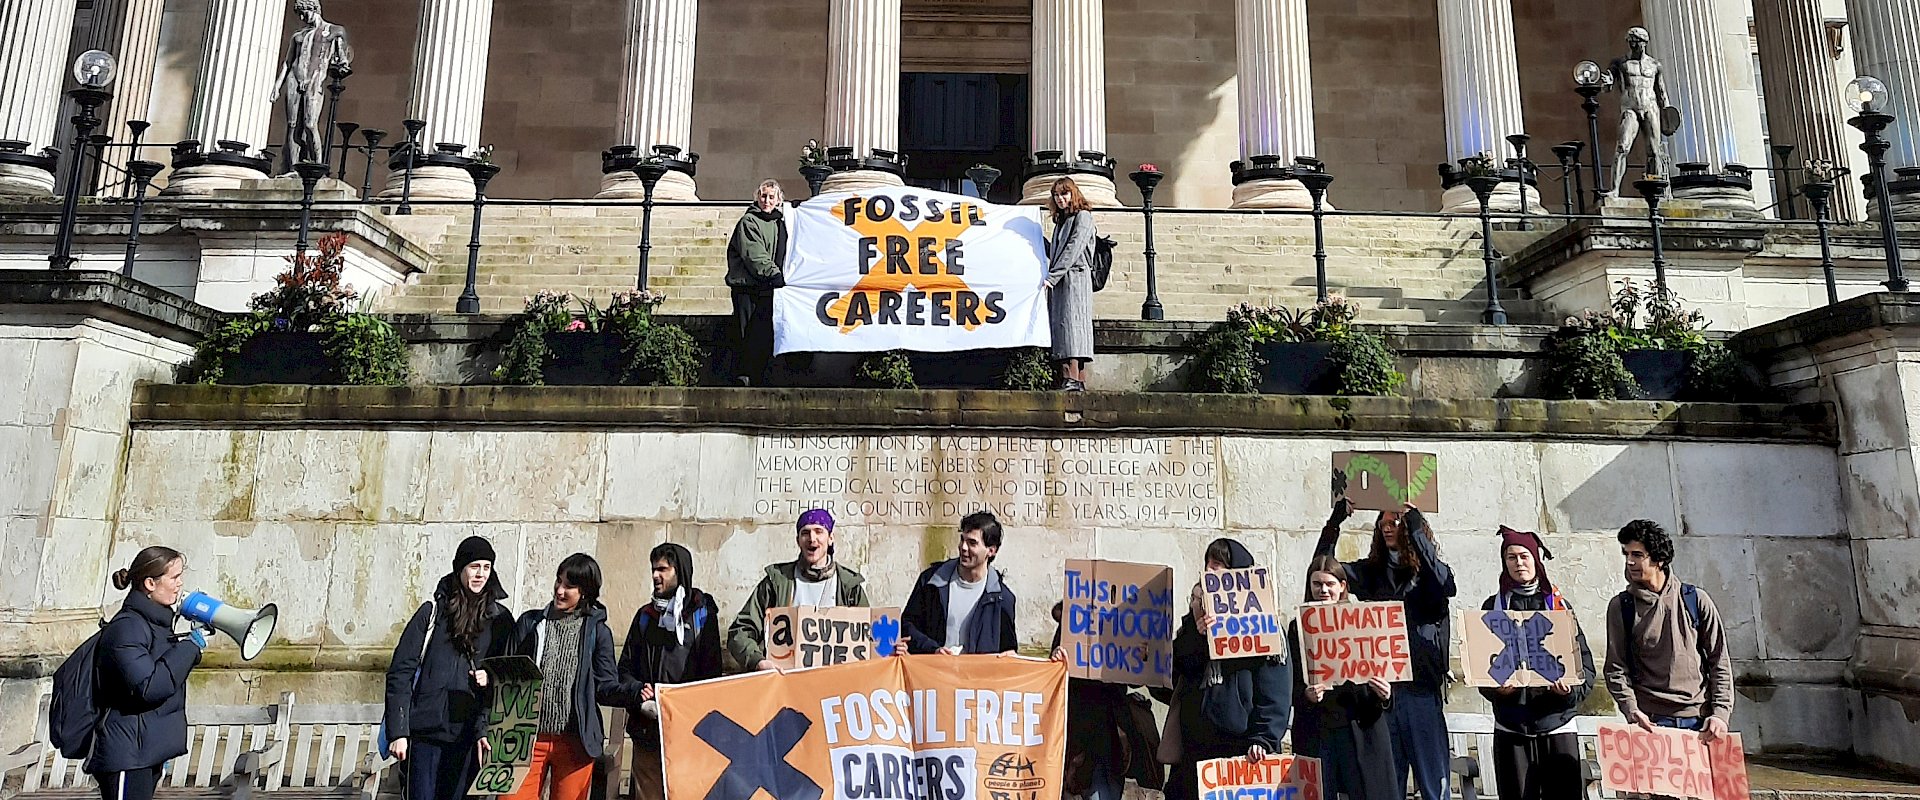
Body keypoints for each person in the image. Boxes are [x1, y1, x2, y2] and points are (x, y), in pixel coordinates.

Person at [1315, 499, 1455, 800]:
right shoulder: (1372, 573)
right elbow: (1324, 570)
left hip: (1420, 692)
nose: (1387, 526)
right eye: (1383, 522)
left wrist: (1414, 522)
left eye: (1395, 521)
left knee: (1434, 785)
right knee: (1387, 787)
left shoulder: (1428, 578)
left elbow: (1444, 582)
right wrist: (1336, 521)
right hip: (1382, 691)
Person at [383, 536, 515, 800]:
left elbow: (510, 676)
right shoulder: (432, 613)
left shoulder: (500, 621)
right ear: (460, 568)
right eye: (474, 566)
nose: (480, 574)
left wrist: (490, 678)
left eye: (486, 567)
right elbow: (401, 672)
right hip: (425, 734)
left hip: (468, 734)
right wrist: (399, 732)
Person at [506, 554, 642, 800]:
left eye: (569, 586)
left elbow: (605, 685)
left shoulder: (598, 633)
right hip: (525, 738)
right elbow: (506, 676)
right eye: (558, 582)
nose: (559, 590)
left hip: (574, 742)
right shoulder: (530, 623)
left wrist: (635, 692)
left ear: (585, 591)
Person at [1164, 538, 1291, 800]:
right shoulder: (1195, 616)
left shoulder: (1264, 627)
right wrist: (1198, 636)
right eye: (1208, 565)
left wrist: (1264, 739)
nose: (1211, 572)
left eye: (1218, 565)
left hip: (1240, 749)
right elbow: (1176, 677)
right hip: (1195, 750)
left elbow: (1276, 692)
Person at [1477, 527, 1595, 800]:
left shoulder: (1558, 607)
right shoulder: (1492, 608)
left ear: (1536, 559)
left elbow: (1585, 667)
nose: (1518, 563)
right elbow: (1482, 667)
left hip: (1556, 725)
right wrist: (1497, 691)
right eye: (1511, 557)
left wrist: (1569, 692)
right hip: (1512, 730)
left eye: (1524, 556)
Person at [88, 547, 202, 800]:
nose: (180, 584)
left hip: (144, 751)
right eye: (174, 577)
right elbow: (149, 687)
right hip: (126, 755)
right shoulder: (127, 627)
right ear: (150, 583)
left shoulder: (155, 624)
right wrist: (189, 649)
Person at [1604, 520, 1733, 742]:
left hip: (1700, 721)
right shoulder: (1622, 607)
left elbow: (1719, 661)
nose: (1629, 561)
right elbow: (1615, 668)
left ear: (1659, 559)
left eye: (1637, 555)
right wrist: (1631, 710)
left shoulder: (1695, 600)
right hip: (1650, 723)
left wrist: (1720, 714)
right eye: (1626, 554)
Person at [619, 544, 723, 800]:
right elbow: (624, 669)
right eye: (654, 569)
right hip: (648, 734)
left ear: (681, 572)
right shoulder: (645, 617)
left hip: (690, 735)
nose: (656, 576)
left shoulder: (703, 615)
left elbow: (712, 675)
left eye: (663, 569)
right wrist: (637, 695)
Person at [1291, 556, 1395, 800]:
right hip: (1319, 731)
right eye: (1317, 584)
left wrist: (1386, 694)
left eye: (1329, 584)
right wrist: (1306, 696)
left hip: (1360, 727)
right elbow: (1292, 683)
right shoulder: (1298, 628)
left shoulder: (1364, 623)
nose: (1323, 590)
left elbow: (1389, 672)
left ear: (1342, 586)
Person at [727, 509, 872, 671]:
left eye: (819, 531)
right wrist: (757, 661)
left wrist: (892, 648)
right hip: (786, 684)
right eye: (805, 533)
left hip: (835, 686)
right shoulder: (777, 582)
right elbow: (740, 631)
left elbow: (870, 638)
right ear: (798, 540)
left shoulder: (849, 586)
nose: (812, 539)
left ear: (830, 538)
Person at [1048, 603, 1166, 800]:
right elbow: (1056, 670)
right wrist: (1056, 661)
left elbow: (1136, 682)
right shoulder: (1073, 617)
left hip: (1107, 737)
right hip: (1074, 732)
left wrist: (1140, 659)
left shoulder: (1127, 621)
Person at [900, 510, 1016, 654]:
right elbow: (907, 625)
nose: (963, 547)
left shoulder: (1003, 599)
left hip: (977, 675)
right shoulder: (931, 582)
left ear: (991, 551)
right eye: (962, 539)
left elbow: (1008, 651)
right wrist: (933, 650)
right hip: (933, 672)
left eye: (972, 543)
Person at [272, 0, 352, 171]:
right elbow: (288, 62)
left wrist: (342, 63)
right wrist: (277, 86)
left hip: (315, 81)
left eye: (303, 12)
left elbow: (342, 57)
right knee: (293, 125)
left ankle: (317, 167)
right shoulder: (298, 36)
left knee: (310, 124)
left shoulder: (334, 31)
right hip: (294, 78)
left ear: (314, 9)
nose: (302, 17)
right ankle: (292, 169)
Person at [725, 180, 788, 386]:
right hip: (747, 286)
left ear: (778, 200)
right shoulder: (748, 222)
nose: (766, 201)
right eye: (763, 196)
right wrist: (774, 274)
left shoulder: (780, 223)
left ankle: (760, 373)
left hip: (767, 286)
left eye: (771, 197)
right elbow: (754, 255)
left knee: (763, 332)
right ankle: (743, 374)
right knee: (745, 332)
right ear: (757, 197)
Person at [1044, 177, 1097, 392]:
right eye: (1056, 195)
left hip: (1075, 280)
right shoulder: (1061, 222)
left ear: (1073, 194)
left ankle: (1075, 378)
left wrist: (1052, 276)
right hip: (1062, 281)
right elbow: (1056, 252)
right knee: (1064, 327)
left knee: (1074, 328)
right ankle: (1072, 378)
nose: (1060, 199)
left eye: (1064, 194)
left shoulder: (1083, 218)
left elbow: (1073, 250)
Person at [1607, 27, 1670, 196]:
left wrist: (1668, 114)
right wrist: (1606, 84)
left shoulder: (1655, 65)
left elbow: (1661, 91)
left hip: (1651, 107)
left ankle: (1657, 192)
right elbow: (1608, 84)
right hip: (1630, 107)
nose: (1636, 46)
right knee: (1622, 147)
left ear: (1644, 43)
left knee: (1654, 150)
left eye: (1639, 42)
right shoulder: (1620, 63)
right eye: (1632, 42)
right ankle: (1614, 189)